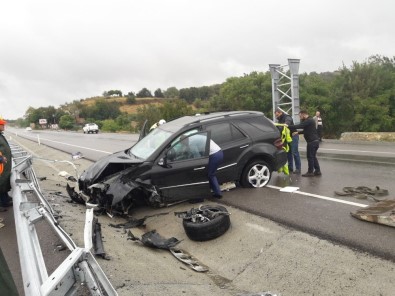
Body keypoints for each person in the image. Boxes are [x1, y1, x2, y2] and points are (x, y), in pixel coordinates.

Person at [287, 110, 321, 177]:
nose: (300, 118)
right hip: (315, 141)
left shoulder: (309, 120)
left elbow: (300, 126)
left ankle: (310, 172)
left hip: (312, 142)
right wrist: (298, 133)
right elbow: (306, 131)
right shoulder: (310, 121)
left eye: (300, 116)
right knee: (313, 157)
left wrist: (288, 126)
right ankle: (317, 171)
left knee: (310, 157)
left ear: (303, 114)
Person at [275, 107, 301, 174]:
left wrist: (286, 124)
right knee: (288, 153)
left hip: (293, 136)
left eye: (277, 115)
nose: (276, 116)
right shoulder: (279, 120)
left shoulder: (287, 117)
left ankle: (298, 168)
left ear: (280, 112)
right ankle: (290, 168)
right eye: (276, 115)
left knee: (295, 152)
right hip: (287, 138)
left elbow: (288, 121)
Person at [0, 117, 13, 209]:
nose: (4, 125)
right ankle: (2, 202)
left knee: (4, 181)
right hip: (1, 165)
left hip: (4, 165)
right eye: (2, 124)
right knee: (1, 182)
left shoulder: (0, 135)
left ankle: (5, 198)